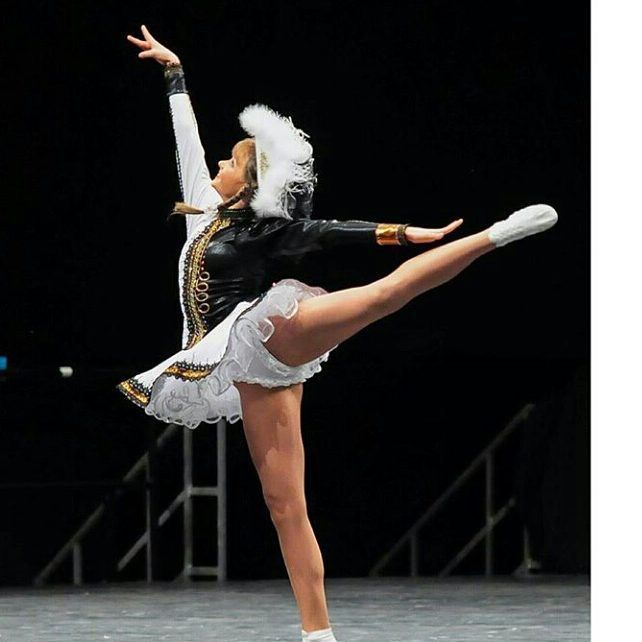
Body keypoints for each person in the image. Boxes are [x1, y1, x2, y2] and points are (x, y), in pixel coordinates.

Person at [121, 25, 558, 642]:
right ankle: (318, 634)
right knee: (284, 508)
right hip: (236, 361)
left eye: (230, 161)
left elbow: (329, 230)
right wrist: (175, 74)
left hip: (266, 328)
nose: (217, 162)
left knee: (382, 295)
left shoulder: (265, 229)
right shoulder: (201, 205)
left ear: (248, 184)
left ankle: (493, 236)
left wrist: (405, 233)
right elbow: (183, 140)